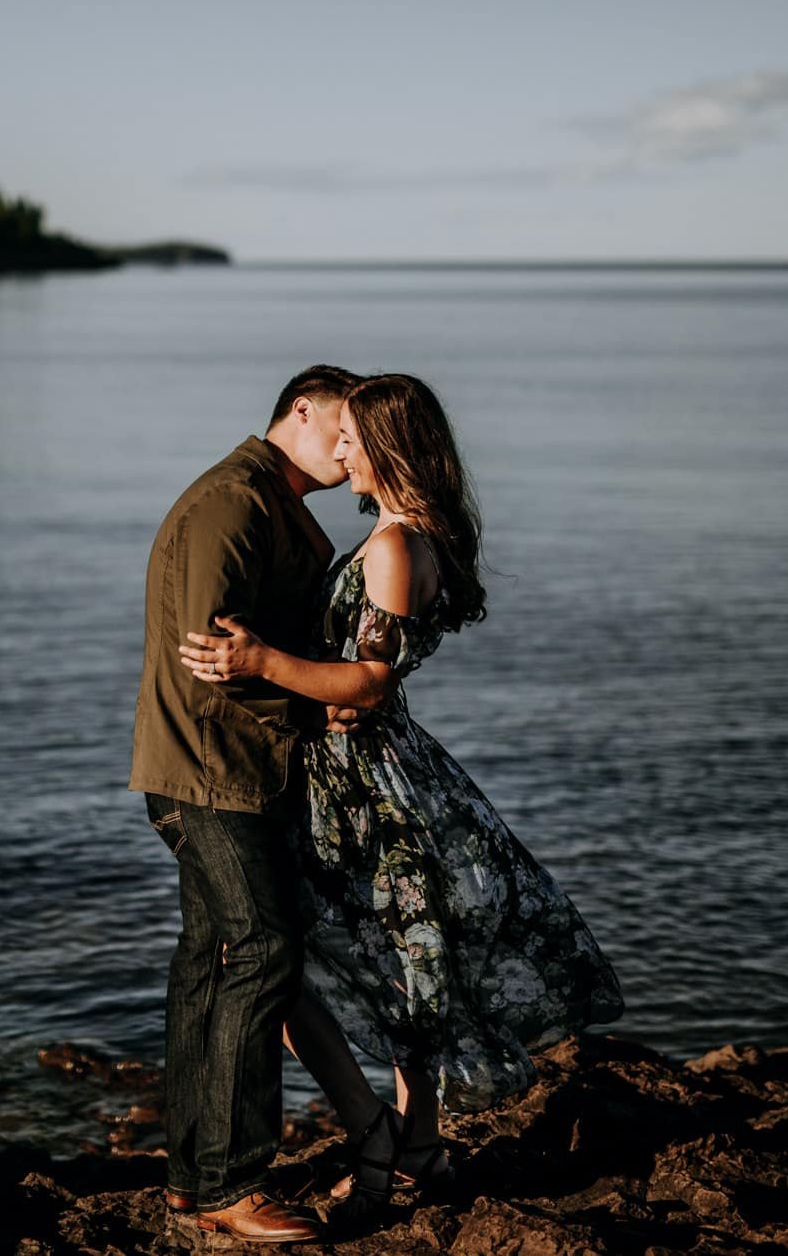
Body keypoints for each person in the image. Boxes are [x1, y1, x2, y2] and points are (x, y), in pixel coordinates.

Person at [180, 372, 628, 1231]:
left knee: (301, 965)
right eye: (339, 435)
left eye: (353, 440)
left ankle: (383, 1136)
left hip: (366, 783)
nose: (338, 451)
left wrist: (261, 662)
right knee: (392, 963)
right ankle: (409, 1138)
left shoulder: (392, 547)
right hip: (360, 769)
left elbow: (371, 682)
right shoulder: (403, 536)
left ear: (386, 447)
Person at [130, 363, 362, 1242]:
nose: (349, 450)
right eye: (340, 429)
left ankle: (192, 1179)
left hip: (220, 766)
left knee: (210, 959)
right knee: (264, 948)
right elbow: (209, 656)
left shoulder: (273, 502)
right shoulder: (236, 499)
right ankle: (233, 1184)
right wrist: (320, 700)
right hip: (208, 769)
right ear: (298, 410)